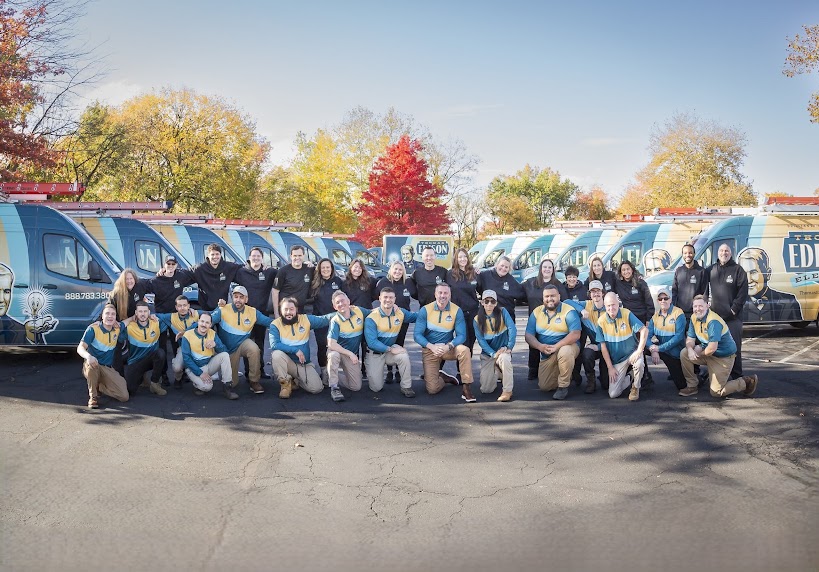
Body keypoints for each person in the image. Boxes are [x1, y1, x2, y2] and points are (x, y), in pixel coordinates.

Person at [679, 295, 758, 399]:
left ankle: (746, 381)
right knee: (684, 353)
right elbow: (690, 339)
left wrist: (698, 354)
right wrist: (690, 350)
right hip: (709, 352)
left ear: (707, 305)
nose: (697, 309)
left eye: (700, 306)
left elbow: (712, 348)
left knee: (716, 392)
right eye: (695, 306)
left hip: (723, 357)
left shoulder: (713, 321)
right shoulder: (694, 317)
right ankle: (692, 386)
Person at [413, 283, 476, 402]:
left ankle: (466, 387)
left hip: (447, 348)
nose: (443, 296)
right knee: (432, 389)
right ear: (435, 294)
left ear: (450, 295)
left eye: (446, 293)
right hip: (430, 349)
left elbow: (462, 335)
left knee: (464, 350)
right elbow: (417, 335)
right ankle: (443, 377)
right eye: (440, 293)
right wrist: (431, 346)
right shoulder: (425, 310)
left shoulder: (456, 310)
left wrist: (449, 346)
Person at [210, 285, 273, 395]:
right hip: (228, 349)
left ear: (246, 299)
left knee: (254, 349)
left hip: (243, 343)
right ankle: (230, 380)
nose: (238, 299)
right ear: (232, 298)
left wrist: (286, 323)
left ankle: (254, 381)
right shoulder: (223, 309)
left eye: (241, 297)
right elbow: (207, 321)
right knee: (233, 383)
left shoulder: (252, 312)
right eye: (235, 297)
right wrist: (190, 328)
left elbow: (269, 322)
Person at [524, 284, 581, 400]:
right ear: (543, 298)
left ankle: (563, 386)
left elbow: (575, 334)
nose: (550, 299)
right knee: (545, 386)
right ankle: (567, 373)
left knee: (564, 352)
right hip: (547, 353)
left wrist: (556, 346)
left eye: (553, 296)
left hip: (567, 347)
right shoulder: (536, 312)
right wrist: (539, 346)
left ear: (559, 296)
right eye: (547, 296)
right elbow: (528, 335)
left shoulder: (568, 311)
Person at [269, 297, 331, 398]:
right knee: (276, 355)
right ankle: (285, 385)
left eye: (291, 309)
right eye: (285, 309)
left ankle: (295, 380)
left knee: (317, 388)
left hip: (303, 364)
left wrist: (342, 312)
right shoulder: (275, 324)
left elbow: (324, 319)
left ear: (296, 309)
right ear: (281, 310)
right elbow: (274, 345)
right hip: (287, 363)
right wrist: (296, 350)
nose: (288, 312)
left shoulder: (305, 319)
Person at [149, 255, 196, 386]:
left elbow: (196, 272)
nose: (170, 266)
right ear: (163, 266)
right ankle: (163, 375)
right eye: (168, 264)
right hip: (162, 318)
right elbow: (143, 289)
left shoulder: (181, 276)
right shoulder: (156, 280)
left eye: (173, 264)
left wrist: (189, 309)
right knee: (162, 347)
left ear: (176, 265)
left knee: (179, 345)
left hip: (176, 317)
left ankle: (181, 374)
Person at [705, 244, 748, 382]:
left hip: (732, 318)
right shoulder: (711, 270)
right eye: (722, 250)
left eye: (727, 251)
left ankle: (737, 376)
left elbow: (742, 294)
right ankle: (713, 374)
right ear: (717, 253)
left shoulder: (738, 270)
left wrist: (733, 310)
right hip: (715, 319)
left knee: (734, 347)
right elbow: (704, 289)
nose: (724, 253)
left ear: (731, 253)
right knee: (713, 346)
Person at [364, 287, 417, 397]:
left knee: (403, 356)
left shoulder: (400, 313)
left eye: (391, 298)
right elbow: (372, 343)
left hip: (389, 352)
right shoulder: (372, 318)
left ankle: (406, 387)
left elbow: (415, 316)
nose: (388, 300)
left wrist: (432, 308)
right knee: (376, 388)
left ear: (395, 299)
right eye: (385, 297)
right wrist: (392, 349)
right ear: (379, 298)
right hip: (375, 354)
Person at [595, 292, 648, 401]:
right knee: (613, 394)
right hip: (617, 360)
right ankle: (630, 376)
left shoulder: (626, 314)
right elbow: (603, 347)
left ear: (618, 303)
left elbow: (644, 330)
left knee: (639, 364)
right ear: (605, 306)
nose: (611, 308)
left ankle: (636, 387)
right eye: (608, 305)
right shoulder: (601, 321)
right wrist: (610, 368)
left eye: (613, 304)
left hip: (632, 353)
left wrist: (639, 351)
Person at [235, 246, 278, 379]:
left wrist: (308, 265)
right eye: (253, 256)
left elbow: (285, 273)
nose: (256, 258)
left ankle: (260, 370)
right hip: (245, 314)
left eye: (258, 256)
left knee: (260, 343)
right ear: (249, 258)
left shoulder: (269, 272)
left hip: (262, 314)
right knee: (247, 344)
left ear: (262, 258)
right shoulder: (241, 272)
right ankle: (249, 372)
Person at [524, 259, 569, 381]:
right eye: (545, 267)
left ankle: (551, 369)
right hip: (535, 319)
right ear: (541, 269)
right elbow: (517, 292)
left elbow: (565, 301)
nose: (547, 269)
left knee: (550, 345)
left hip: (552, 320)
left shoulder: (558, 285)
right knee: (533, 345)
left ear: (553, 270)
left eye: (550, 267)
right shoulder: (531, 283)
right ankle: (533, 370)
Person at [76, 304, 129, 408]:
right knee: (92, 365)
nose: (110, 316)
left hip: (107, 368)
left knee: (124, 396)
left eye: (113, 314)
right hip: (93, 364)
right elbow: (80, 348)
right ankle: (93, 397)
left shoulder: (117, 328)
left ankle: (100, 387)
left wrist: (142, 315)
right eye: (107, 313)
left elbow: (129, 320)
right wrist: (88, 357)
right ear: (102, 316)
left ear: (115, 317)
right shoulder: (93, 329)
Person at [374, 261, 417, 385]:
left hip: (402, 319)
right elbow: (375, 296)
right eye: (395, 269)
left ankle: (398, 370)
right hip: (386, 319)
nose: (397, 272)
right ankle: (389, 371)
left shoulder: (408, 283)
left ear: (403, 271)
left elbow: (418, 294)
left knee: (400, 343)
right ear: (391, 270)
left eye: (400, 269)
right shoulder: (383, 283)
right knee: (388, 343)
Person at [614, 260, 655, 387]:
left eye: (628, 269)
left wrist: (648, 319)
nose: (626, 272)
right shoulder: (618, 284)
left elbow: (649, 302)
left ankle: (646, 376)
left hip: (641, 319)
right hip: (627, 320)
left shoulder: (640, 282)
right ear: (620, 272)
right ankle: (635, 374)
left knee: (640, 347)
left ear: (632, 269)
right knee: (631, 347)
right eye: (623, 270)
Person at [180, 312, 238, 400]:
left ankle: (227, 387)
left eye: (207, 323)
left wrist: (216, 345)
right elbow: (186, 359)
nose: (204, 325)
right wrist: (200, 373)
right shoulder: (187, 335)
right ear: (198, 322)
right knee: (207, 387)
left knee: (224, 355)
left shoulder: (212, 334)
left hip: (208, 365)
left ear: (210, 325)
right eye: (202, 321)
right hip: (193, 368)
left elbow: (225, 351)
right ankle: (197, 384)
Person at [326, 291, 370, 402]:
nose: (341, 304)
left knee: (356, 387)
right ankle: (334, 387)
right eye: (338, 302)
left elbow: (375, 312)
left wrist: (391, 306)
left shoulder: (359, 311)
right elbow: (331, 344)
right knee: (333, 355)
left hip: (349, 355)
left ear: (349, 301)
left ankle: (329, 375)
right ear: (334, 306)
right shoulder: (335, 321)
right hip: (338, 350)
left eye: (343, 300)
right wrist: (350, 354)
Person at [473, 290, 516, 402]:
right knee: (486, 389)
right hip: (488, 355)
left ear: (496, 303)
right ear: (482, 302)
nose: (489, 304)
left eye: (492, 301)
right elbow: (481, 341)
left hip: (503, 351)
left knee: (505, 359)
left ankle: (507, 391)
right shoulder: (477, 319)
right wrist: (493, 354)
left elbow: (512, 329)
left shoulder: (503, 312)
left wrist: (509, 347)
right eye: (486, 301)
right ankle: (498, 371)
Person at [738, 247, 802, 322]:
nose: (748, 280)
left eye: (753, 272)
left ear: (768, 274)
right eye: (743, 273)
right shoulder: (737, 302)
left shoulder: (789, 301)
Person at [108, 267, 152, 374]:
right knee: (117, 348)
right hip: (122, 324)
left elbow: (154, 282)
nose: (129, 281)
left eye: (131, 278)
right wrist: (105, 320)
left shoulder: (140, 286)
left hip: (136, 324)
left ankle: (142, 375)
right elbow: (108, 307)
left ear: (135, 279)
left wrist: (162, 272)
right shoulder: (116, 293)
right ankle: (119, 376)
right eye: (126, 279)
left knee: (139, 348)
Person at [120, 301, 167, 398]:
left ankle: (154, 383)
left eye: (145, 311)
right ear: (136, 313)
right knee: (130, 391)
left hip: (151, 359)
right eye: (140, 311)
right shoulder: (129, 327)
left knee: (161, 353)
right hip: (135, 361)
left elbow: (172, 317)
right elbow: (116, 328)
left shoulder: (156, 322)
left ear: (149, 312)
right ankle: (142, 377)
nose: (143, 314)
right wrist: (129, 320)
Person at [308, 258, 344, 383]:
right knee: (322, 346)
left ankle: (333, 371)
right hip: (320, 319)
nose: (325, 269)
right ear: (319, 269)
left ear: (332, 268)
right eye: (323, 267)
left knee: (334, 346)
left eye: (328, 267)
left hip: (336, 319)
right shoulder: (315, 282)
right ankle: (323, 371)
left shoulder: (338, 281)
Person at [646, 287, 687, 391]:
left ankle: (701, 376)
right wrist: (652, 349)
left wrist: (659, 349)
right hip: (663, 351)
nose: (663, 301)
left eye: (665, 298)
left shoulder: (678, 313)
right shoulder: (655, 317)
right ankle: (644, 378)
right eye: (660, 299)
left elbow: (678, 337)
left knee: (681, 386)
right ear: (658, 301)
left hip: (676, 354)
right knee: (639, 348)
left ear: (670, 299)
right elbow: (647, 336)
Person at [155, 295, 199, 389]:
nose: (182, 308)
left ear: (189, 306)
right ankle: (178, 379)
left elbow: (211, 314)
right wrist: (151, 315)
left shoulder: (196, 314)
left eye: (184, 305)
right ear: (176, 307)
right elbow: (157, 315)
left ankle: (198, 380)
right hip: (183, 348)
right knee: (177, 367)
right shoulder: (171, 317)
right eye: (179, 306)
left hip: (198, 348)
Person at [446, 247, 480, 368]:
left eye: (465, 256)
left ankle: (466, 368)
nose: (463, 259)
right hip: (458, 312)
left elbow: (482, 289)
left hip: (473, 312)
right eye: (460, 257)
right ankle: (461, 371)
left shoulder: (474, 273)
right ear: (456, 259)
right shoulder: (450, 274)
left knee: (471, 341)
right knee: (463, 341)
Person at [192, 244, 243, 312]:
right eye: (212, 254)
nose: (215, 257)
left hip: (223, 309)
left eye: (217, 254)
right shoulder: (200, 269)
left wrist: (260, 266)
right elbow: (185, 273)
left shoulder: (228, 267)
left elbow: (244, 268)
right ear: (208, 256)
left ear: (220, 255)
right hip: (205, 310)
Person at [579, 280, 609, 394]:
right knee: (586, 353)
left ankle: (605, 376)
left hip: (609, 346)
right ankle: (591, 381)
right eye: (593, 291)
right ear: (589, 294)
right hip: (595, 346)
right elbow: (567, 302)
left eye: (598, 291)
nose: (596, 294)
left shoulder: (609, 307)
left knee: (606, 385)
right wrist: (581, 310)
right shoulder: (587, 305)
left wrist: (599, 347)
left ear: (603, 292)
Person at [476, 255, 525, 321]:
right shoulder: (485, 275)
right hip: (489, 316)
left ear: (509, 269)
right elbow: (475, 285)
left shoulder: (511, 280)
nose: (503, 268)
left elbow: (522, 293)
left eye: (506, 267)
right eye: (502, 265)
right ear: (497, 264)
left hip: (506, 317)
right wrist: (474, 271)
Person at [271, 245, 313, 318]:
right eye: (295, 256)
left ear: (303, 256)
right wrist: (276, 313)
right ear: (291, 256)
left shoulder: (309, 269)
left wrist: (311, 264)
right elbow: (275, 291)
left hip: (300, 311)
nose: (297, 258)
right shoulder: (283, 271)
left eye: (300, 255)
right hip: (286, 311)